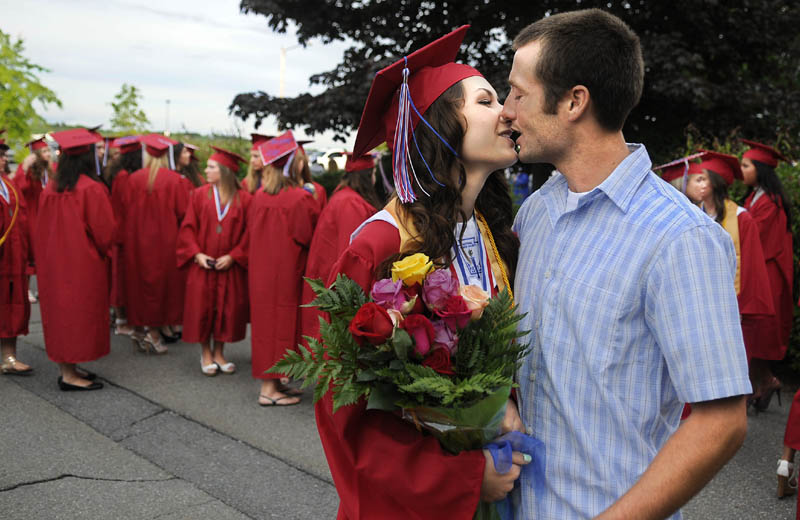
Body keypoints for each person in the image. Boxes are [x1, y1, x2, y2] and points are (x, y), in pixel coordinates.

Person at [502, 9, 750, 518]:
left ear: (574, 101)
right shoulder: (536, 212)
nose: (505, 111)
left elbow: (720, 421)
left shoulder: (680, 238)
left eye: (517, 94)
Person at [318, 26, 528, 519]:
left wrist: (506, 406)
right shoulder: (380, 245)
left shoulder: (491, 233)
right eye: (485, 100)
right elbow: (346, 415)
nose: (507, 113)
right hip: (417, 499)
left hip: (495, 471)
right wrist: (465, 477)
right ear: (437, 125)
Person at [665, 152, 774, 406]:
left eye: (703, 178)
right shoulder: (690, 212)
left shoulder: (741, 218)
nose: (699, 183)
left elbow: (752, 268)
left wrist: (744, 308)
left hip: (729, 305)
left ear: (713, 182)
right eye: (696, 179)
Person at [34, 128, 115, 390]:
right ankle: (69, 377)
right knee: (79, 315)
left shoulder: (51, 189)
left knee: (61, 316)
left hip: (53, 265)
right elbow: (105, 234)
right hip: (83, 266)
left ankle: (69, 367)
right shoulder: (91, 189)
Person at [247, 130, 320, 406]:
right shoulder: (298, 199)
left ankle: (276, 382)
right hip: (287, 272)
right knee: (281, 325)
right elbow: (307, 235)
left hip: (261, 273)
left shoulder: (259, 197)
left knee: (267, 327)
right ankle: (268, 390)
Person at [177, 147, 250, 376]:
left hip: (228, 266)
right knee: (202, 309)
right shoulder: (199, 195)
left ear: (225, 171)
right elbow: (188, 227)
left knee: (226, 310)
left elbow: (250, 234)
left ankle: (219, 351)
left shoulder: (245, 199)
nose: (205, 170)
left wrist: (234, 256)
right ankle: (205, 352)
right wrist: (197, 254)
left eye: (211, 167)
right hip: (204, 265)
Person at [299, 152, 381, 346]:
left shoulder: (343, 196)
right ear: (368, 175)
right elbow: (351, 255)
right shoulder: (351, 204)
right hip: (335, 286)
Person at [121, 133, 189, 354]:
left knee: (140, 285)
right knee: (162, 288)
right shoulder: (175, 180)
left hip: (137, 240)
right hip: (165, 241)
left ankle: (140, 329)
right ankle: (153, 333)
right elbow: (183, 213)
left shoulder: (133, 179)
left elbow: (124, 209)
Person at [741, 139, 793, 410]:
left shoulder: (770, 203)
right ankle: (763, 384)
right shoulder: (755, 196)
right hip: (759, 270)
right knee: (754, 335)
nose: (741, 169)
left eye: (746, 165)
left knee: (758, 333)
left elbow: (757, 237)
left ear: (760, 169)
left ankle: (764, 382)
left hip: (768, 274)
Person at [13, 137, 55, 304]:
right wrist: (24, 167)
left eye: (48, 150)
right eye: (44, 151)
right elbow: (19, 188)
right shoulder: (29, 171)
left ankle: (44, 288)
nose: (47, 154)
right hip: (32, 215)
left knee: (46, 254)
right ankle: (26, 289)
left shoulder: (50, 169)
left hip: (47, 216)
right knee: (30, 253)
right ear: (36, 154)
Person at [1, 159, 33, 375]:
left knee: (10, 307)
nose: (3, 159)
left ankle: (9, 358)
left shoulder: (8, 184)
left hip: (11, 258)